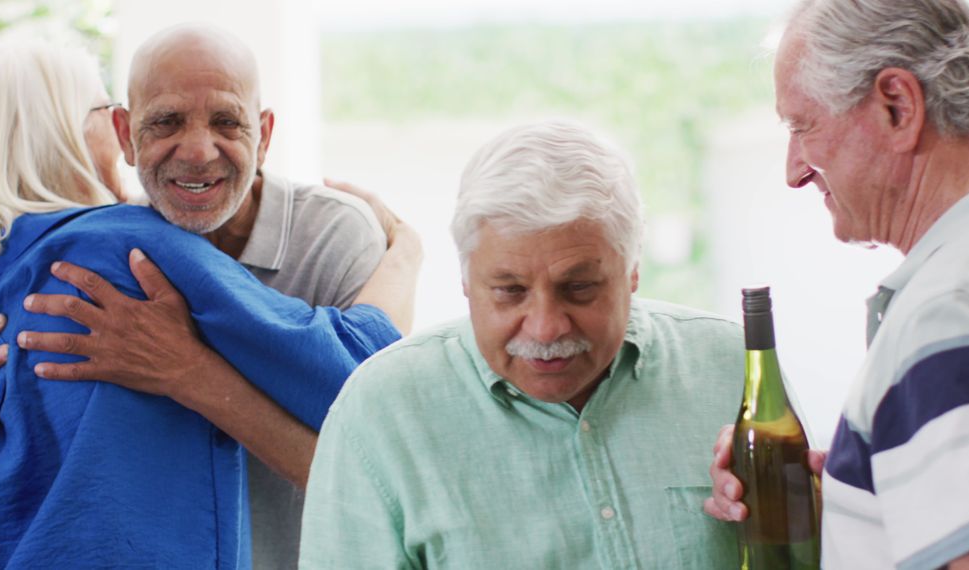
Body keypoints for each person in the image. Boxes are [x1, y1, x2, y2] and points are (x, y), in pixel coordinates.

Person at [0, 24, 417, 569]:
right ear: (87, 130)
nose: (197, 151)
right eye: (107, 111)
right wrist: (408, 249)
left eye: (225, 121)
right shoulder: (125, 247)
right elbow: (354, 368)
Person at [298, 121, 744, 569]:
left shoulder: (730, 366)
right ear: (466, 280)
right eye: (510, 291)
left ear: (632, 272)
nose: (546, 328)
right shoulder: (380, 410)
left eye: (580, 287)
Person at [704, 1, 969, 568]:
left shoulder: (953, 307)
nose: (793, 171)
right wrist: (872, 506)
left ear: (897, 107)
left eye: (802, 127)